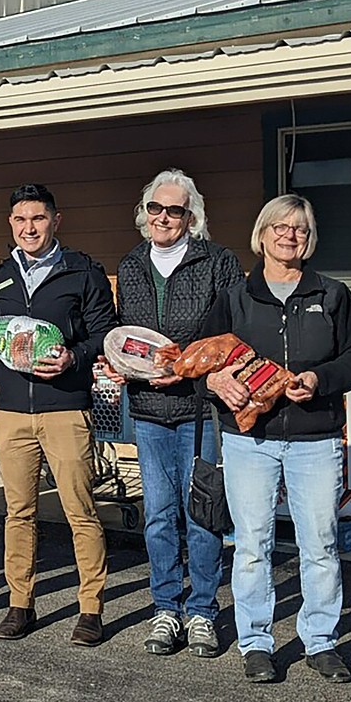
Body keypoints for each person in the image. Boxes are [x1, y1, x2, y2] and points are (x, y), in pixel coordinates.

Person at [203, 194, 351, 684]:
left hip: (316, 438)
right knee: (252, 544)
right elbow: (201, 360)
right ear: (262, 234)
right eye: (281, 227)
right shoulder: (233, 297)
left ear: (310, 240)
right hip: (250, 440)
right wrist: (213, 382)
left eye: (301, 229)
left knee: (321, 544)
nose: (290, 236)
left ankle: (321, 641)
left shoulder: (332, 296)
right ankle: (256, 642)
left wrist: (319, 380)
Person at [104, 170, 243, 657]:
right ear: (145, 214)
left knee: (202, 513)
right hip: (148, 410)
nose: (164, 217)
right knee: (159, 515)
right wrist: (121, 366)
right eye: (156, 209)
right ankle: (166, 608)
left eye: (175, 210)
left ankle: (203, 612)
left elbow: (230, 338)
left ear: (192, 216)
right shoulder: (133, 264)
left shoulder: (218, 262)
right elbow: (126, 336)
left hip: (200, 409)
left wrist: (188, 372)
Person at [0, 183, 116, 647]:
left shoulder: (83, 272)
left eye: (38, 218)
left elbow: (105, 334)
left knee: (80, 510)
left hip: (64, 409)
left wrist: (75, 358)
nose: (28, 227)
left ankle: (91, 607)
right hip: (13, 410)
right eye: (19, 220)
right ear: (10, 224)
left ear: (56, 221)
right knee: (19, 512)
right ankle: (20, 603)